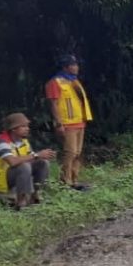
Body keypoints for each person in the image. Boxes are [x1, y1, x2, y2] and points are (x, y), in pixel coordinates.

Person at [0, 113, 55, 210]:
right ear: (13, 129)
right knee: (24, 166)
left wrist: (43, 156)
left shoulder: (23, 141)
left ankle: (36, 196)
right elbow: (12, 162)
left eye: (27, 126)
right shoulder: (1, 142)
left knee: (43, 163)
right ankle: (21, 203)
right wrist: (36, 155)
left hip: (11, 174)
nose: (27, 128)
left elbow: (30, 157)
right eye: (23, 126)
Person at [45, 54, 92, 190]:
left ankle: (74, 179)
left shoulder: (74, 81)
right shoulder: (55, 82)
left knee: (77, 152)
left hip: (79, 121)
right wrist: (58, 123)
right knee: (70, 152)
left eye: (76, 64)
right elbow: (53, 104)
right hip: (67, 123)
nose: (76, 67)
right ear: (66, 67)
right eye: (73, 65)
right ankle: (66, 181)